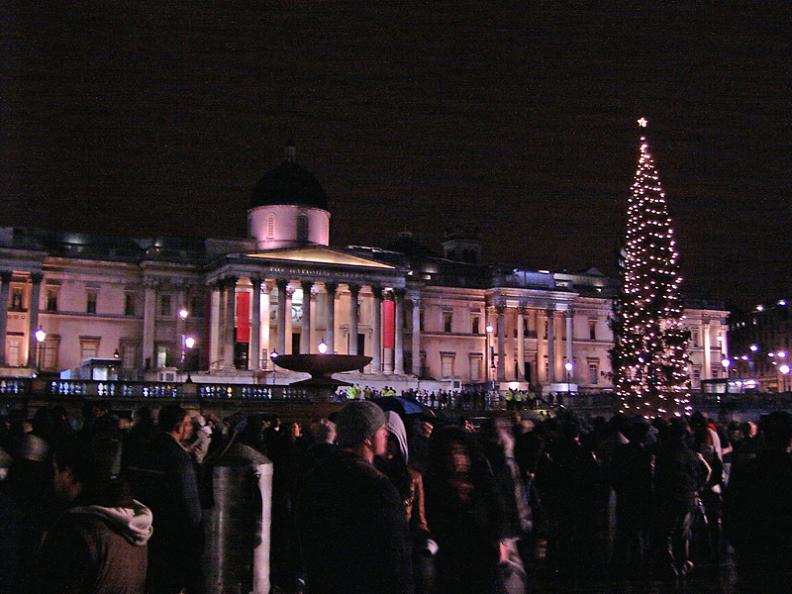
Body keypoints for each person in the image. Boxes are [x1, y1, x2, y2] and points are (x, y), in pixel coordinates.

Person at [297, 401, 413, 594]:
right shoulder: (377, 485)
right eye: (382, 429)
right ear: (367, 437)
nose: (386, 434)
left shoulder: (316, 476)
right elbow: (395, 553)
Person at [32, 432, 153, 593]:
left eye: (54, 471)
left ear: (68, 474)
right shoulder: (135, 525)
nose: (52, 480)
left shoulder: (75, 532)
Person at [129, 405, 202, 594]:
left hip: (143, 530)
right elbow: (189, 506)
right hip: (171, 535)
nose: (191, 428)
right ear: (180, 426)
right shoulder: (179, 458)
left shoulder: (142, 450)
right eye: (189, 424)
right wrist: (197, 540)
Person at [424, 426, 507, 594]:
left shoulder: (483, 484)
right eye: (450, 452)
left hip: (485, 567)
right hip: (453, 571)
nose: (456, 458)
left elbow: (499, 514)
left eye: (461, 451)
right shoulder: (435, 489)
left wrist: (495, 540)